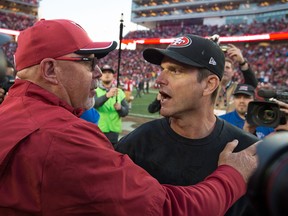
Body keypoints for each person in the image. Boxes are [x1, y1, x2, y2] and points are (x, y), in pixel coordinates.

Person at [0, 19, 257, 216]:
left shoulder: (17, 112)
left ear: (210, 83)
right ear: (49, 70)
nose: (99, 72)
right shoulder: (65, 137)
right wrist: (232, 176)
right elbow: (165, 209)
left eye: (176, 70)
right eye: (88, 62)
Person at [116, 34, 259, 216]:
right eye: (162, 69)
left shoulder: (246, 154)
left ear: (209, 85)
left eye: (175, 70)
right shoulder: (136, 144)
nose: (159, 79)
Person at [214, 43, 258, 115]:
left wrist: (242, 62)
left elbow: (252, 84)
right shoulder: (210, 86)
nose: (224, 70)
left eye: (228, 68)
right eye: (222, 67)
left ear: (233, 72)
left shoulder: (238, 88)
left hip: (230, 124)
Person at [94, 64, 129, 146]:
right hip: (99, 129)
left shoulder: (119, 92)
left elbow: (125, 112)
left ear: (113, 76)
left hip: (114, 130)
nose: (107, 74)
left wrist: (120, 108)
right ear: (100, 76)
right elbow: (93, 104)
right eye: (104, 72)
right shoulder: (95, 90)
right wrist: (106, 96)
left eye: (109, 72)